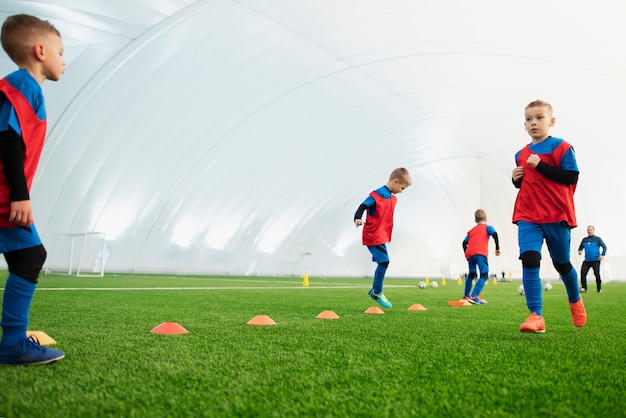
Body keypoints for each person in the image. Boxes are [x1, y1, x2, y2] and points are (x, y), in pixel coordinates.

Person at [0, 14, 65, 365]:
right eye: (60, 50)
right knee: (30, 256)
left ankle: (11, 339)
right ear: (40, 51)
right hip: (3, 197)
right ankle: (11, 342)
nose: (64, 60)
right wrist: (19, 195)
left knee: (27, 256)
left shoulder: (20, 86)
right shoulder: (25, 85)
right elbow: (8, 140)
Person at [511, 99, 586, 333]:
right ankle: (536, 316)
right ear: (524, 124)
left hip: (557, 216)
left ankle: (575, 301)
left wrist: (541, 165)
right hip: (528, 216)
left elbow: (571, 178)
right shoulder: (520, 154)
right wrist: (516, 180)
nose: (534, 122)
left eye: (539, 118)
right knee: (530, 259)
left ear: (551, 121)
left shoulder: (563, 148)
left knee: (562, 265)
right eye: (529, 119)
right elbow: (527, 184)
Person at [354, 168, 411, 309]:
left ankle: (375, 291)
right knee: (384, 262)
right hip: (373, 236)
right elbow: (362, 206)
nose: (402, 191)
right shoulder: (376, 196)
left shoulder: (392, 199)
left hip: (381, 236)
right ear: (395, 181)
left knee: (383, 262)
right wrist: (357, 218)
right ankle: (377, 292)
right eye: (402, 188)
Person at [461, 209, 500, 305]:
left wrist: (466, 253)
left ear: (475, 220)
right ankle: (474, 296)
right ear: (486, 218)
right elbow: (495, 234)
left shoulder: (471, 231)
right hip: (480, 253)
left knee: (472, 274)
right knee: (484, 274)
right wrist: (497, 248)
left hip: (470, 254)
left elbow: (464, 242)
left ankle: (466, 296)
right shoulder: (487, 227)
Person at [577, 225, 607, 293]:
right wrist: (580, 251)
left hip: (595, 260)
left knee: (597, 274)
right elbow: (580, 247)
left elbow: (604, 247)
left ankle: (599, 289)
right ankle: (584, 288)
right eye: (588, 229)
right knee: (583, 273)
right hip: (587, 260)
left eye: (590, 229)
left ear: (593, 230)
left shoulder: (597, 239)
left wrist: (602, 254)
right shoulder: (584, 240)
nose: (589, 231)